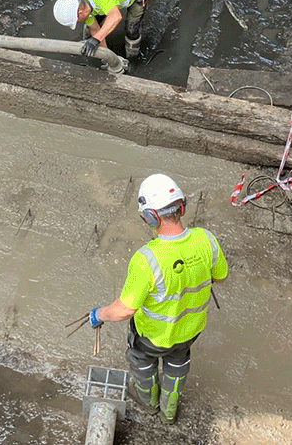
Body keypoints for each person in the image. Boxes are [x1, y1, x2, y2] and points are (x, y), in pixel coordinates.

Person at [85, 173, 227, 424]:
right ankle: (169, 412)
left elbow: (124, 310)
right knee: (177, 364)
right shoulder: (207, 240)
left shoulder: (146, 259)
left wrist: (98, 314)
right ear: (181, 207)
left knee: (142, 364)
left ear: (150, 217)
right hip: (190, 330)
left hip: (151, 336)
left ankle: (149, 403)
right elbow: (221, 277)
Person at [52, 0, 152, 61]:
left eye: (76, 21)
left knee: (132, 28)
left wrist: (95, 39)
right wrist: (107, 59)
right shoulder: (82, 3)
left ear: (79, 13)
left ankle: (133, 58)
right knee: (93, 29)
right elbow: (95, 30)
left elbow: (116, 17)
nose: (78, 23)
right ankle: (89, 44)